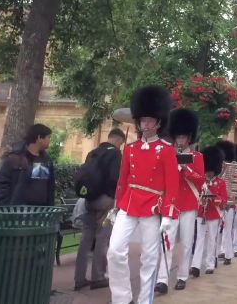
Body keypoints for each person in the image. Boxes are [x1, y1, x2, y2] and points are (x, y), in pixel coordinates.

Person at [107, 86, 179, 304]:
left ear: (158, 122)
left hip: (152, 207)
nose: (146, 125)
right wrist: (116, 206)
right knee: (115, 250)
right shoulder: (130, 149)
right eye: (143, 120)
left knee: (149, 257)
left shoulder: (167, 150)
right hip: (129, 203)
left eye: (150, 120)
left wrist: (168, 215)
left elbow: (172, 186)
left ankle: (144, 300)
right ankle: (122, 298)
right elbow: (122, 180)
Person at [156, 108, 205, 293]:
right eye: (178, 137)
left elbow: (200, 180)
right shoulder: (168, 154)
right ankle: (162, 279)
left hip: (189, 204)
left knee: (185, 242)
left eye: (184, 137)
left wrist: (186, 169)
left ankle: (182, 275)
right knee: (167, 240)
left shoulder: (197, 157)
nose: (180, 140)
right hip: (173, 203)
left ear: (189, 138)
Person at [73, 128, 125, 291]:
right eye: (121, 143)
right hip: (105, 200)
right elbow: (114, 177)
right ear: (117, 141)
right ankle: (98, 277)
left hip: (88, 199)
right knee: (103, 237)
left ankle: (79, 278)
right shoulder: (115, 154)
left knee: (86, 238)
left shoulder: (92, 152)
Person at [0, 124, 55, 206]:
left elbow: (47, 187)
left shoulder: (45, 160)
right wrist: (7, 207)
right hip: (17, 213)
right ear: (39, 138)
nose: (49, 140)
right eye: (48, 137)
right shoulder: (14, 158)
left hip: (40, 213)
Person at [190, 146, 227, 276]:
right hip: (201, 213)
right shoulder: (202, 182)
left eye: (210, 171)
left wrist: (212, 197)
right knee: (199, 239)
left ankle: (210, 264)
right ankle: (195, 265)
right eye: (207, 171)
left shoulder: (221, 183)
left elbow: (223, 201)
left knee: (212, 239)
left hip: (214, 214)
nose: (208, 173)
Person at [216, 140, 237, 265]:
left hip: (228, 203)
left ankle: (228, 254)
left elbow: (235, 186)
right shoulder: (218, 167)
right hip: (217, 203)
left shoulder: (233, 168)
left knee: (228, 228)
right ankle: (221, 250)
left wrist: (230, 201)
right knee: (217, 230)